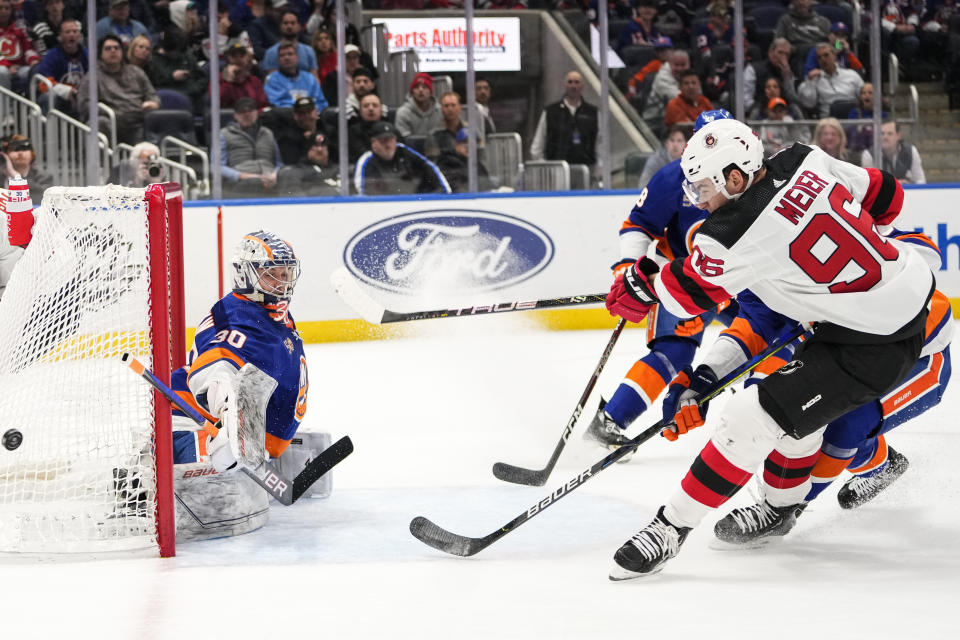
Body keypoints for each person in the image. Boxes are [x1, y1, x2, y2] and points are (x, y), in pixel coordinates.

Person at [604, 118, 933, 580]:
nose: (699, 201)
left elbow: (683, 296)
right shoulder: (804, 156)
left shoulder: (734, 232)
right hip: (902, 292)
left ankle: (669, 527)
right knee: (794, 413)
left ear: (736, 178)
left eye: (704, 188)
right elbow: (887, 197)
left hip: (876, 341)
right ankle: (779, 509)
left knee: (752, 419)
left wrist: (638, 284)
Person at [710, 229, 951, 546]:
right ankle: (882, 463)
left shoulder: (843, 238)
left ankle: (782, 511)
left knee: (844, 424)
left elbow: (928, 262)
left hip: (921, 360)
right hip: (856, 351)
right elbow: (764, 331)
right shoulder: (783, 270)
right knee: (806, 413)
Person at [584, 110, 738, 458]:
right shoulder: (673, 178)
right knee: (674, 351)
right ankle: (610, 421)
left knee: (769, 343)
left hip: (738, 284)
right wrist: (628, 269)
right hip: (684, 278)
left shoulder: (746, 178)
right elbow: (639, 223)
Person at [168, 230, 309, 540]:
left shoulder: (273, 311)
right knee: (206, 468)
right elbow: (216, 368)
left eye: (287, 273)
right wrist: (231, 424)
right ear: (247, 275)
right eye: (273, 275)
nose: (283, 282)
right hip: (194, 425)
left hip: (245, 432)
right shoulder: (234, 319)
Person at [77, 35, 159, 146]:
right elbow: (84, 105)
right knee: (99, 122)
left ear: (122, 52)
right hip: (111, 120)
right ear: (100, 54)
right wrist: (110, 111)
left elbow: (152, 95)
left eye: (116, 48)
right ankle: (103, 162)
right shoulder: (92, 77)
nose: (113, 51)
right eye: (108, 48)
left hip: (137, 119)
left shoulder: (136, 72)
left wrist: (152, 103)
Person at [529, 70, 600, 175]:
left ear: (582, 86)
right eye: (570, 82)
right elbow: (537, 146)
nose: (573, 86)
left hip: (585, 171)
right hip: (557, 172)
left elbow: (600, 143)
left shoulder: (592, 113)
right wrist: (545, 168)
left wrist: (599, 169)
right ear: (565, 85)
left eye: (577, 82)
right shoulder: (551, 112)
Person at [353, 121, 451, 196]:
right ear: (373, 142)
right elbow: (362, 192)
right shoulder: (366, 160)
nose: (388, 144)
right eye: (383, 140)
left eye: (390, 140)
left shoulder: (404, 151)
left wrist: (447, 195)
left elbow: (431, 168)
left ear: (395, 140)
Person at [220, 97, 282, 195]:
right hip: (242, 179)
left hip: (270, 177)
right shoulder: (224, 134)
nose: (247, 114)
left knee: (289, 178)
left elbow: (279, 163)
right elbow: (217, 166)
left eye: (250, 110)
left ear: (257, 113)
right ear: (235, 115)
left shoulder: (267, 133)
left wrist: (276, 174)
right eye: (242, 111)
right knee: (254, 183)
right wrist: (241, 175)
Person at [31, 18, 86, 114]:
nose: (72, 34)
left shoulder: (87, 55)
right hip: (58, 98)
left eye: (74, 31)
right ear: (60, 36)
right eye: (67, 32)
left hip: (81, 96)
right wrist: (66, 91)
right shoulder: (52, 56)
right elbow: (44, 85)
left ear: (79, 35)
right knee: (47, 97)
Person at [148, 27, 209, 112]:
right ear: (167, 49)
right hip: (167, 102)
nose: (179, 55)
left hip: (192, 98)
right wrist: (172, 77)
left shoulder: (186, 54)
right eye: (176, 52)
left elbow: (202, 79)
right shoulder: (152, 61)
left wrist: (191, 90)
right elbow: (153, 87)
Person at [798, 43, 864, 118]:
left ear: (834, 56)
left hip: (852, 119)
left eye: (826, 55)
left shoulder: (851, 75)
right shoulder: (814, 79)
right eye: (819, 58)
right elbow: (809, 104)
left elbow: (865, 97)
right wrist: (810, 82)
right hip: (829, 122)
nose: (823, 59)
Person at [743, 38, 799, 118]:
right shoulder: (753, 69)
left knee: (795, 109)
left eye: (787, 54)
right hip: (760, 113)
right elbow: (746, 99)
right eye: (780, 53)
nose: (783, 57)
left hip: (782, 112)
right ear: (771, 52)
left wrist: (787, 77)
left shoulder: (789, 71)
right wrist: (762, 110)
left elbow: (793, 99)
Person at [263, 41, 327, 109]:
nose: (286, 58)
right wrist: (301, 109)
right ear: (278, 60)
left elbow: (321, 102)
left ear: (297, 57)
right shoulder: (272, 80)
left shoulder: (310, 78)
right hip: (286, 116)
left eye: (290, 54)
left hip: (312, 115)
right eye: (282, 55)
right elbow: (276, 103)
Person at [861, 120, 926, 184]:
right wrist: (896, 184)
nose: (885, 137)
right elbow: (869, 184)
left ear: (898, 136)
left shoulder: (911, 151)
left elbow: (920, 180)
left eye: (890, 134)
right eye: (882, 133)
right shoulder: (868, 155)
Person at [277, 132, 341, 196]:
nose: (319, 149)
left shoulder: (340, 170)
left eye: (323, 145)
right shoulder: (295, 172)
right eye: (315, 145)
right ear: (307, 149)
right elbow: (293, 199)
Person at [271, 95, 328, 165]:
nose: (306, 116)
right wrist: (308, 143)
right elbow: (291, 163)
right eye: (302, 113)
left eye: (309, 112)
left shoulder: (328, 131)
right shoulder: (287, 137)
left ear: (316, 112)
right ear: (295, 116)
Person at [435, 127, 494, 193]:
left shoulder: (478, 165)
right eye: (464, 142)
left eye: (472, 143)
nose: (468, 146)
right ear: (456, 145)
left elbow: (488, 185)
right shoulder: (447, 163)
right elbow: (454, 188)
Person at [261, 9, 317, 77]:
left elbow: (314, 77)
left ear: (299, 26)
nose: (289, 26)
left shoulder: (309, 51)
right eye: (285, 23)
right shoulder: (271, 53)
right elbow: (272, 80)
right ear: (280, 26)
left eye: (292, 23)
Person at [0, 0, 41, 92]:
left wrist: (33, 60)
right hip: (3, 67)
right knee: (2, 71)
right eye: (0, 8)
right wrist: (8, 66)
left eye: (7, 8)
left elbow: (28, 48)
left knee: (32, 71)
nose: (3, 11)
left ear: (11, 11)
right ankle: (4, 104)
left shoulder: (19, 28)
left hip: (19, 67)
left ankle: (31, 102)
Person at [641, 49, 690, 125]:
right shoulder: (662, 78)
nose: (680, 69)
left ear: (689, 65)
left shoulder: (689, 75)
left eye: (683, 65)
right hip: (655, 121)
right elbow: (680, 101)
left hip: (676, 117)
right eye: (676, 65)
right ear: (670, 64)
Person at [1, 136, 53, 203]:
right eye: (15, 149)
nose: (20, 153)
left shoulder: (44, 177)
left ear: (32, 154)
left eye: (24, 149)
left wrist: (16, 176)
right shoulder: (2, 178)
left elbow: (40, 197)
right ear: (6, 155)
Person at [636, 123, 688, 188]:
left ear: (686, 144)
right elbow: (643, 185)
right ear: (666, 143)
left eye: (679, 141)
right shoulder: (656, 160)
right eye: (672, 140)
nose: (675, 144)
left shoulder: (692, 160)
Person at [220, 42, 269, 110]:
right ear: (228, 58)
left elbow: (263, 104)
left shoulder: (254, 80)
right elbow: (219, 103)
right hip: (229, 118)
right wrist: (229, 80)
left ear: (247, 58)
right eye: (234, 56)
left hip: (254, 117)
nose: (238, 59)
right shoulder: (219, 79)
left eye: (242, 55)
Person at [394, 72, 443, 138]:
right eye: (416, 87)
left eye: (425, 87)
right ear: (412, 92)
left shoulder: (440, 111)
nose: (420, 90)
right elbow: (403, 140)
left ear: (430, 92)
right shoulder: (403, 112)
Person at [625, 35, 673, 102]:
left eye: (665, 49)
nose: (662, 52)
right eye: (659, 50)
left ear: (671, 50)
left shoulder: (679, 62)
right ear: (656, 53)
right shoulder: (655, 64)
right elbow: (634, 80)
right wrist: (631, 93)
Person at [845, 82, 889, 153]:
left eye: (870, 93)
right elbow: (851, 133)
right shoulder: (854, 113)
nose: (866, 95)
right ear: (860, 97)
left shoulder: (883, 114)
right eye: (863, 93)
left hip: (877, 150)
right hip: (857, 149)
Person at [347, 93, 389, 163]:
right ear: (360, 111)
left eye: (375, 105)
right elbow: (361, 155)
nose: (371, 109)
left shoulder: (389, 129)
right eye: (366, 106)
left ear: (381, 110)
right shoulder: (353, 131)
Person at [426, 91, 468, 160]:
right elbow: (433, 163)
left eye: (453, 105)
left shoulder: (470, 130)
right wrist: (455, 151)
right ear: (442, 109)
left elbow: (479, 154)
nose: (450, 109)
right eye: (446, 106)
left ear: (460, 108)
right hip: (446, 169)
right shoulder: (433, 135)